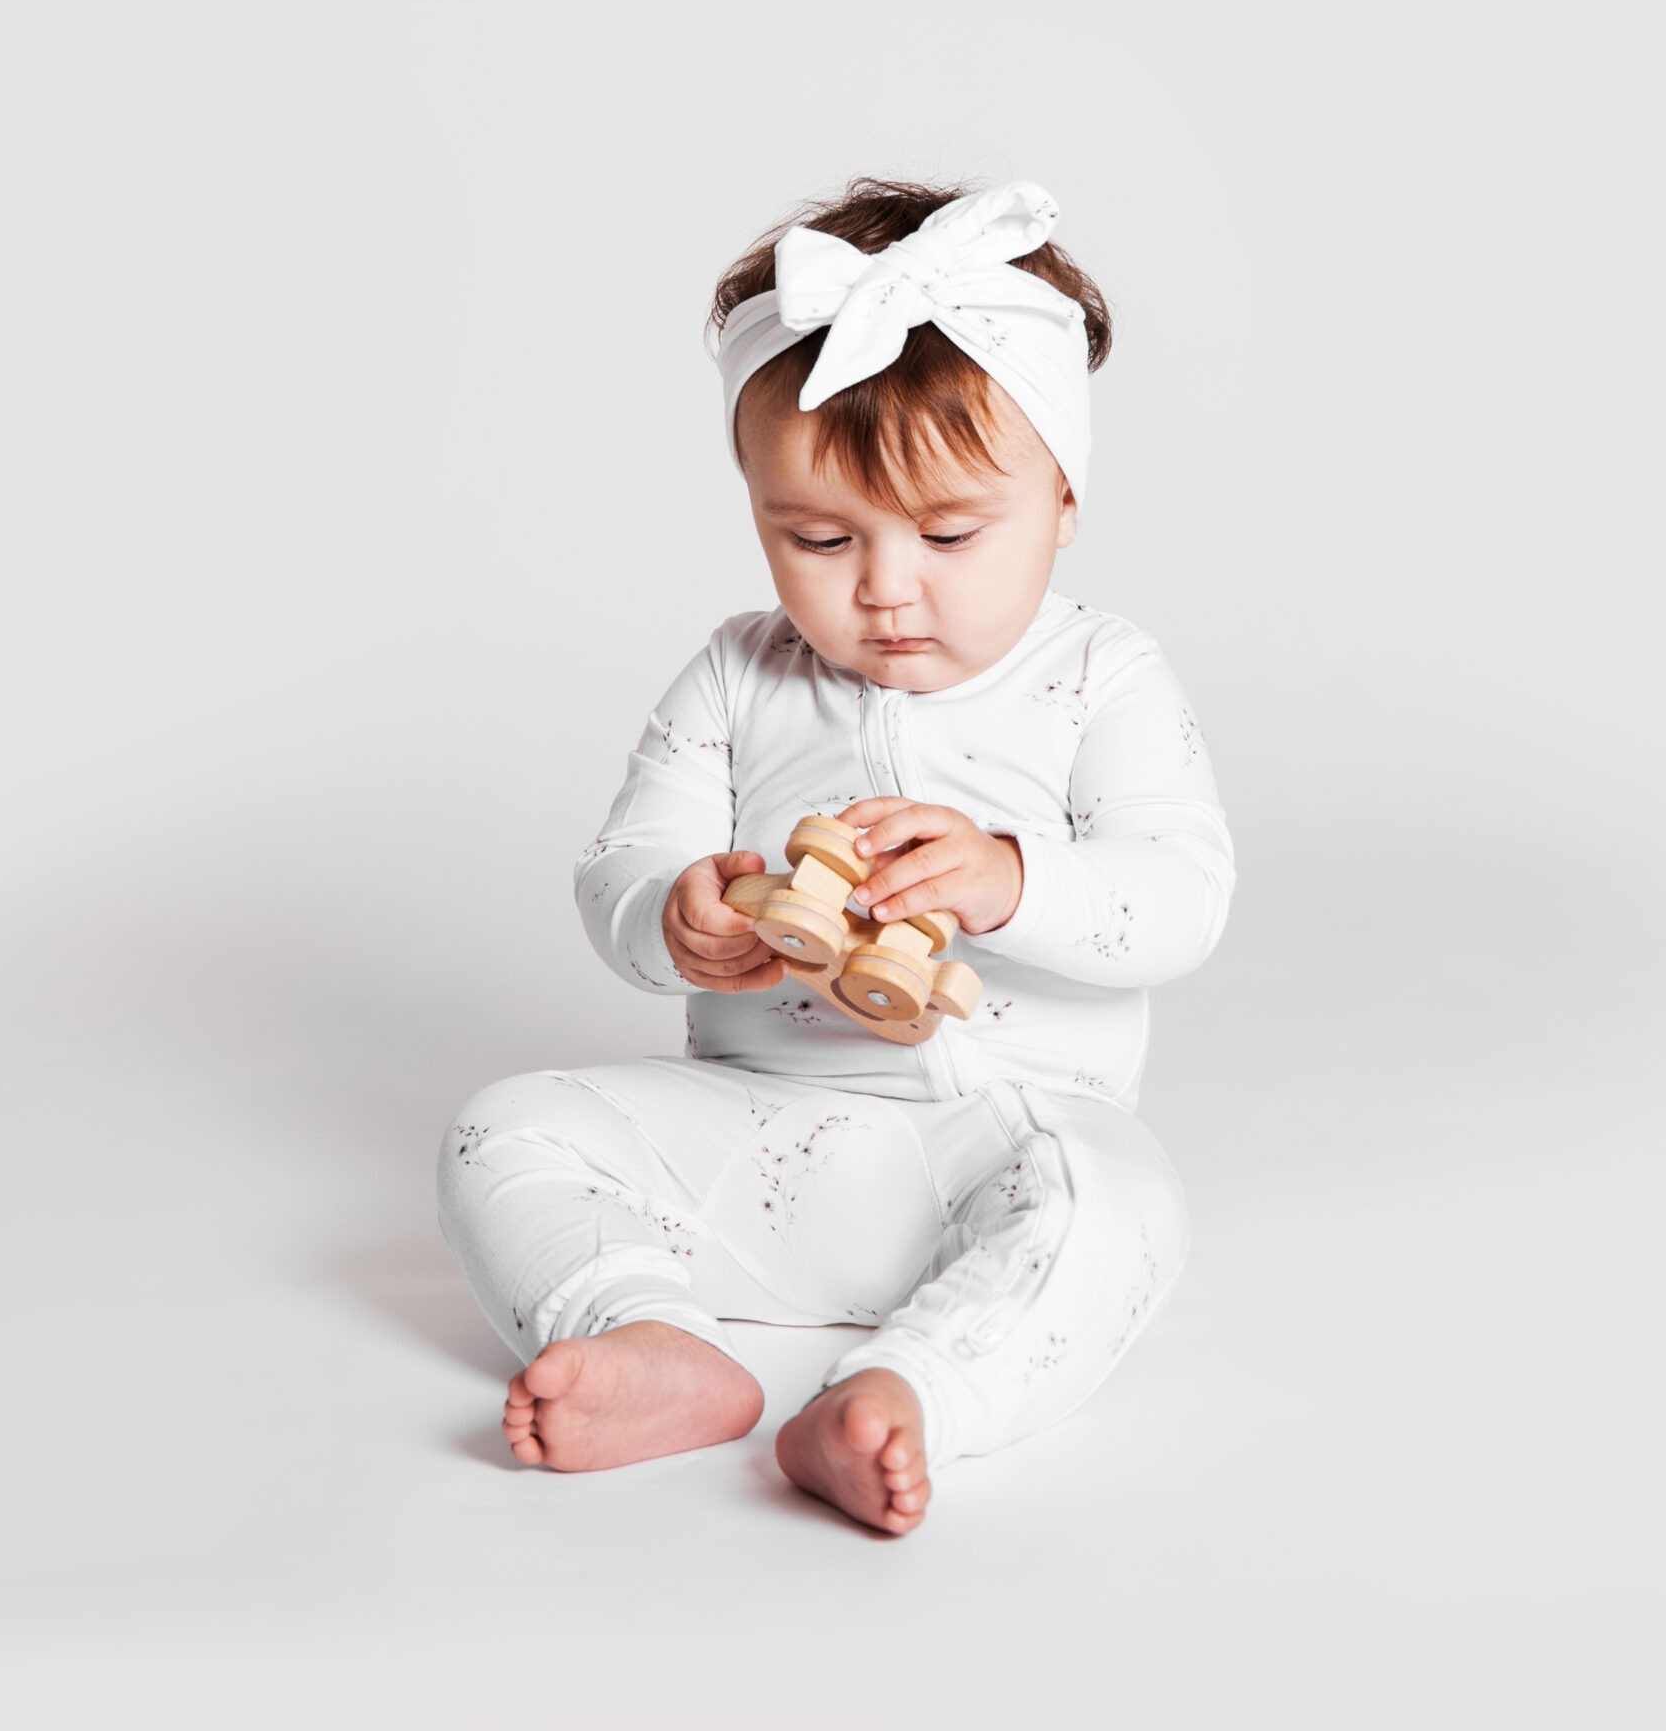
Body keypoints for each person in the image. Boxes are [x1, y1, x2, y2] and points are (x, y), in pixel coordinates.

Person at [437, 178, 1233, 1534]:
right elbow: (624, 861)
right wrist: (671, 915)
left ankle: (908, 1390)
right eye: (816, 537)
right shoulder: (738, 675)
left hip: (1002, 1142)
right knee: (503, 1129)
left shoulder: (1102, 675)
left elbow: (1182, 896)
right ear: (757, 509)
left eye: (951, 534)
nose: (883, 586)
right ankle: (649, 1334)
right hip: (763, 1145)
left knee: (1124, 1197)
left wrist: (1012, 878)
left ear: (1063, 497)